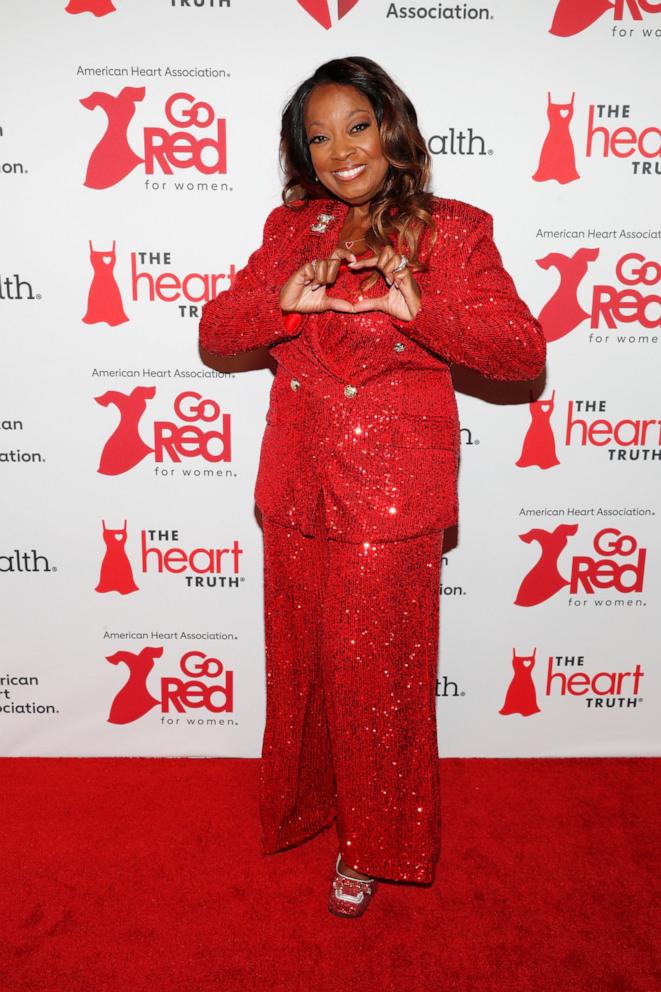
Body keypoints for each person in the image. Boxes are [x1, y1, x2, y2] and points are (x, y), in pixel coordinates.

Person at [199, 56, 546, 918]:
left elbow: (521, 356)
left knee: (375, 675)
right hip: (295, 483)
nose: (339, 150)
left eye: (356, 126)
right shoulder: (289, 234)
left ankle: (372, 844)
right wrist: (283, 307)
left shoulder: (454, 232)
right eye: (317, 136)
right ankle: (310, 805)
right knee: (304, 664)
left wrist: (418, 308)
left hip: (392, 489)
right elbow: (216, 329)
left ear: (393, 131)